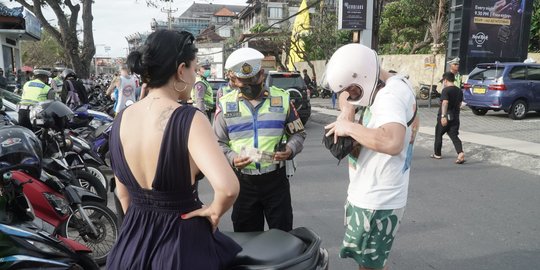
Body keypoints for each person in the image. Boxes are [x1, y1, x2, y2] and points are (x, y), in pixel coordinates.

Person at [105, 29, 241, 269]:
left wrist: (141, 225)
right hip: (180, 247)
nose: (195, 77)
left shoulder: (121, 119)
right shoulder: (189, 118)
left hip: (130, 247)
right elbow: (228, 189)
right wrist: (214, 213)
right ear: (180, 70)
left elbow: (123, 194)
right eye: (193, 69)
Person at [323, 43, 418, 270]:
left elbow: (393, 141)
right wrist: (348, 112)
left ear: (363, 75)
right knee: (370, 263)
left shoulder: (389, 96)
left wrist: (348, 128)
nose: (349, 95)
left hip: (377, 199)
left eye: (352, 89)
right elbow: (412, 130)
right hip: (375, 193)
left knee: (369, 266)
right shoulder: (398, 84)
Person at [214, 47, 306, 233]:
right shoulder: (225, 104)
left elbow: (298, 134)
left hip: (276, 181)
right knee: (247, 238)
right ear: (234, 80)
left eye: (252, 80)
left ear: (262, 75)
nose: (248, 85)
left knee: (282, 236)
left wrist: (290, 149)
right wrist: (232, 158)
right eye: (243, 82)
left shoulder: (283, 99)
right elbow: (218, 143)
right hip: (242, 182)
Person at [431, 72, 465, 164]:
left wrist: (443, 116)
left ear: (445, 80)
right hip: (455, 117)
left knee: (438, 134)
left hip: (445, 116)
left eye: (443, 81)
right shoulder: (459, 91)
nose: (443, 83)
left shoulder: (446, 90)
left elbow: (445, 102)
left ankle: (437, 153)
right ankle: (460, 152)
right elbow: (460, 104)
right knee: (454, 135)